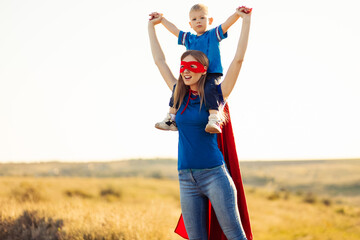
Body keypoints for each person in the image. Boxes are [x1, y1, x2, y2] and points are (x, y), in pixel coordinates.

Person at [148, 6, 252, 240]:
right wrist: (152, 26)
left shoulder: (217, 94)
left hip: (214, 175)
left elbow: (238, 60)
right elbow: (159, 61)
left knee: (235, 236)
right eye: (183, 66)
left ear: (204, 70)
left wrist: (245, 21)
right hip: (186, 177)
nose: (186, 71)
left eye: (192, 66)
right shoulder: (178, 95)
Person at [150, 4, 248, 134]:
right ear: (190, 24)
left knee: (209, 88)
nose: (198, 21)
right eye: (194, 19)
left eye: (202, 18)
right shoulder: (189, 39)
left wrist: (237, 14)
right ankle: (171, 118)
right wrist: (162, 20)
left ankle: (214, 117)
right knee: (177, 87)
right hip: (193, 75)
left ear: (210, 20)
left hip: (212, 73)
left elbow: (226, 24)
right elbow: (174, 30)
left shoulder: (213, 35)